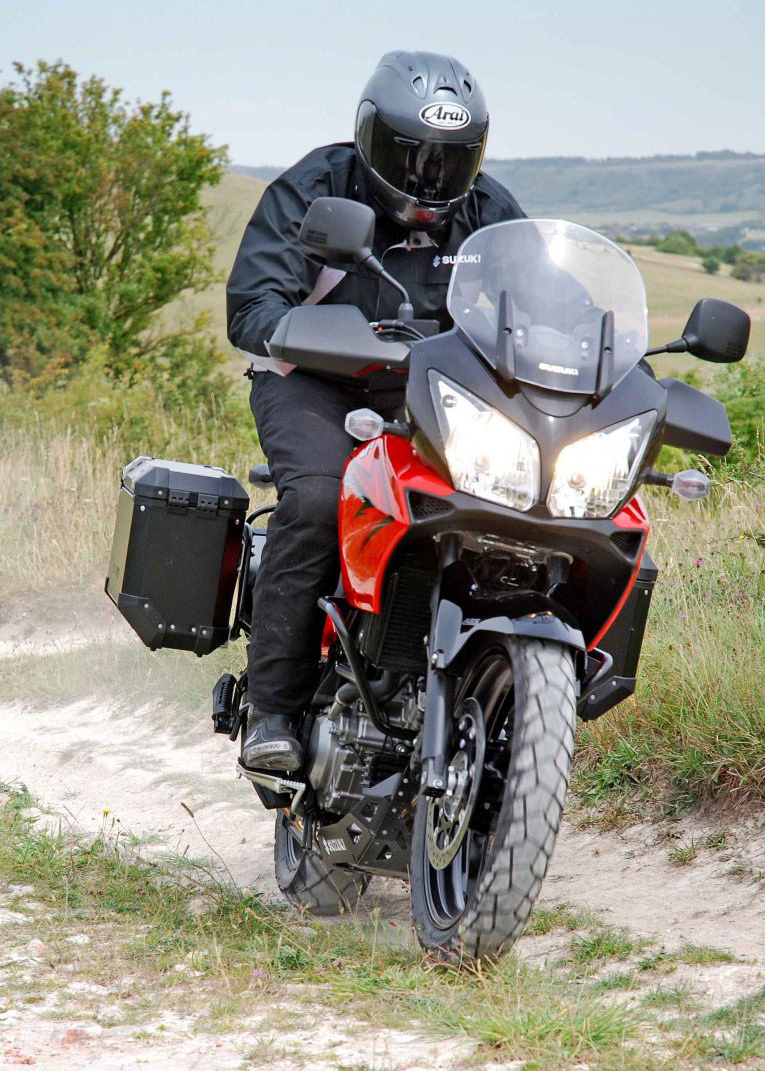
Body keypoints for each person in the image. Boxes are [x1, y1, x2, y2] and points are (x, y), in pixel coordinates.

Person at [225, 50, 529, 773]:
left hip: (431, 392)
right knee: (318, 501)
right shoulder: (315, 189)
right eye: (411, 155)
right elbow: (253, 302)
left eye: (449, 161)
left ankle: (481, 685)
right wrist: (306, 331)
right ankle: (273, 709)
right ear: (371, 138)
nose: (429, 177)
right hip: (314, 380)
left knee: (503, 504)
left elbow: (544, 307)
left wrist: (608, 359)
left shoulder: (489, 214)